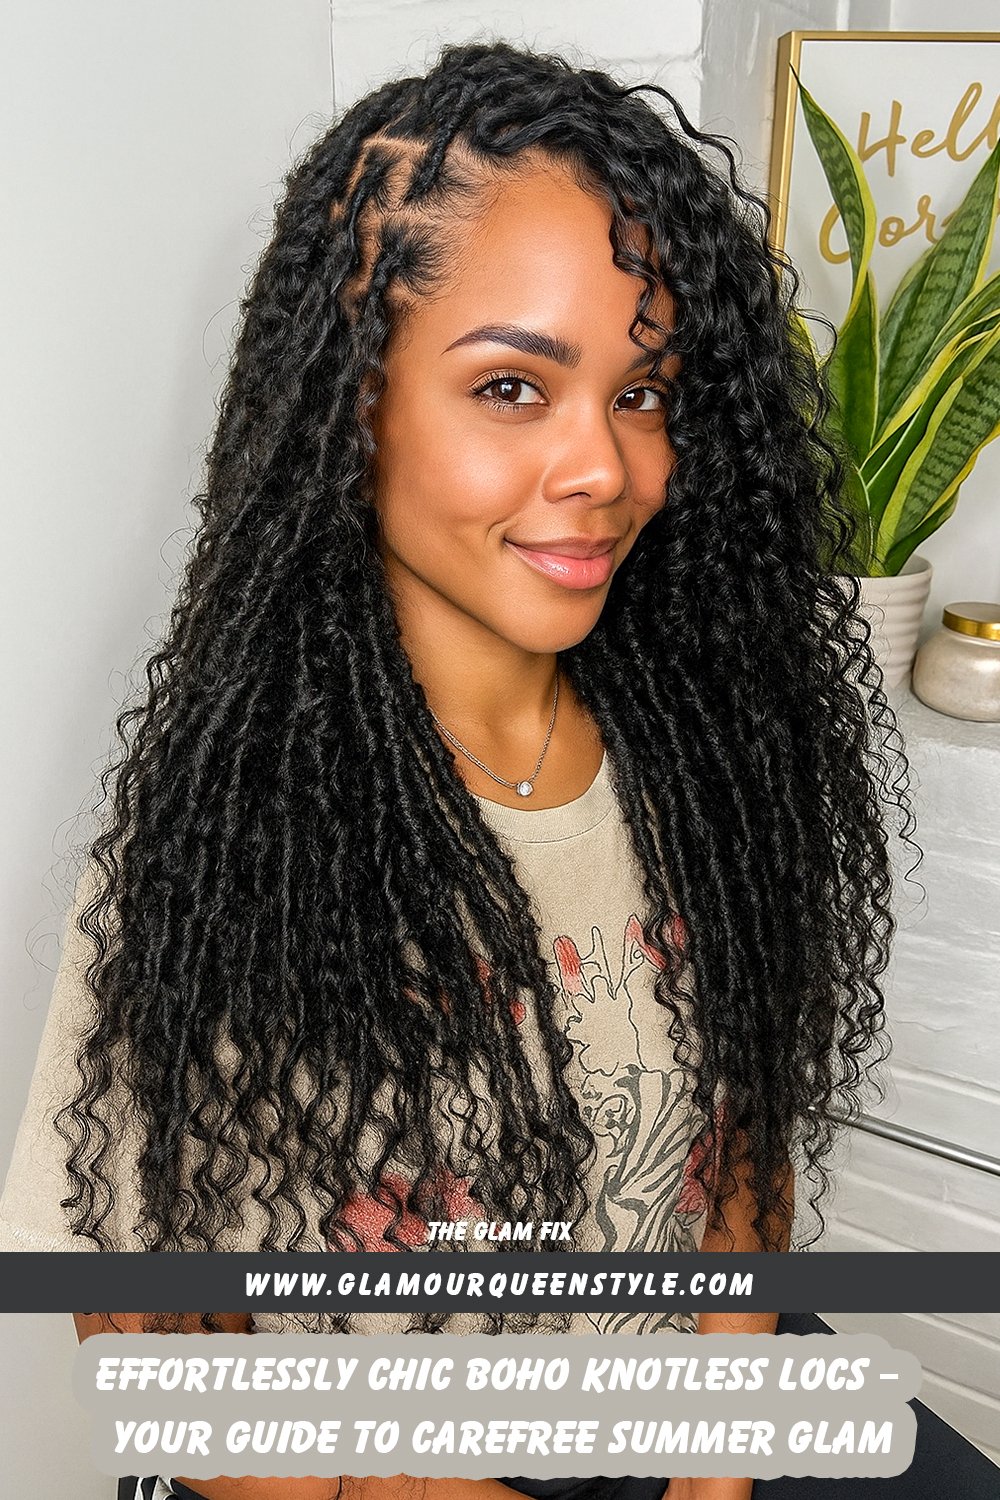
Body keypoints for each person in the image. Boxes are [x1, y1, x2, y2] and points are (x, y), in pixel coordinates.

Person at [2, 36, 923, 1500]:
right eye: (512, 389)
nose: (606, 467)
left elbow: (742, 1168)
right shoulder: (221, 835)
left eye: (645, 392)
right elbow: (151, 1325)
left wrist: (717, 1466)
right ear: (351, 407)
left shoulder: (715, 768)